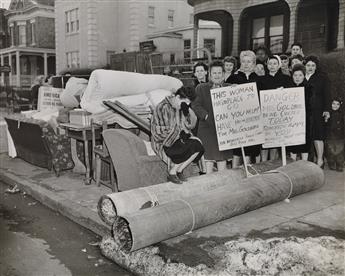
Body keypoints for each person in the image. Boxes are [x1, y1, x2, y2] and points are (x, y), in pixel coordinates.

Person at [151, 86, 205, 184]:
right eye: (186, 102)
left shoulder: (181, 107)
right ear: (178, 97)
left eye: (189, 103)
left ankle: (179, 170)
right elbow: (159, 132)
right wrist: (179, 134)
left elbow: (190, 126)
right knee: (188, 145)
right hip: (164, 141)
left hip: (178, 139)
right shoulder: (162, 107)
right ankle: (172, 173)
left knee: (198, 145)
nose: (187, 105)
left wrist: (188, 112)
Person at [192, 60, 232, 174]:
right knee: (208, 160)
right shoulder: (201, 88)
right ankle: (208, 184)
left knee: (222, 159)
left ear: (224, 74)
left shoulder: (230, 88)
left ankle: (222, 186)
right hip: (207, 129)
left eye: (219, 73)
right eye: (214, 73)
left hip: (224, 130)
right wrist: (205, 116)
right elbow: (196, 105)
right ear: (209, 74)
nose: (217, 75)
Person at [231, 50, 262, 167]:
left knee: (250, 147)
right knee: (237, 148)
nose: (246, 64)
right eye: (243, 61)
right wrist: (230, 90)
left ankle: (247, 170)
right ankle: (233, 172)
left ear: (253, 63)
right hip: (237, 118)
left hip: (253, 118)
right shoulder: (233, 78)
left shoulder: (259, 79)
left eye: (249, 62)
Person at [260, 55, 291, 161]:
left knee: (274, 141)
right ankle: (263, 163)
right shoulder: (261, 80)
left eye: (274, 63)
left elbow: (291, 97)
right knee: (264, 140)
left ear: (279, 65)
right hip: (265, 114)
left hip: (279, 115)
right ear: (267, 65)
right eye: (270, 63)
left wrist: (284, 92)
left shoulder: (286, 79)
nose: (272, 66)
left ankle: (272, 163)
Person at [305, 55, 331, 168]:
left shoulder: (322, 78)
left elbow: (327, 95)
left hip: (317, 110)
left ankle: (320, 160)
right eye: (308, 65)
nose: (310, 67)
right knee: (305, 136)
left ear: (316, 67)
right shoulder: (300, 76)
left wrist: (327, 110)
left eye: (313, 65)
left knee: (318, 135)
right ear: (304, 66)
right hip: (304, 110)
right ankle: (305, 160)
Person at [286, 64, 311, 161]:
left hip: (304, 121)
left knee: (304, 145)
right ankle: (293, 166)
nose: (297, 78)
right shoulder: (288, 88)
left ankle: (304, 164)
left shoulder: (309, 88)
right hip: (292, 122)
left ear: (304, 76)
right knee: (293, 145)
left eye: (300, 75)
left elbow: (311, 105)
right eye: (295, 75)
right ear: (292, 76)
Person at [325, 97, 344, 171]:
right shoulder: (328, 113)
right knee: (330, 150)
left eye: (337, 104)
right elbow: (325, 124)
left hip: (340, 136)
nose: (335, 106)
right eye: (333, 104)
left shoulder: (341, 114)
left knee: (340, 150)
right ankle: (331, 163)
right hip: (330, 135)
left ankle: (340, 164)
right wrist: (327, 119)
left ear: (340, 105)